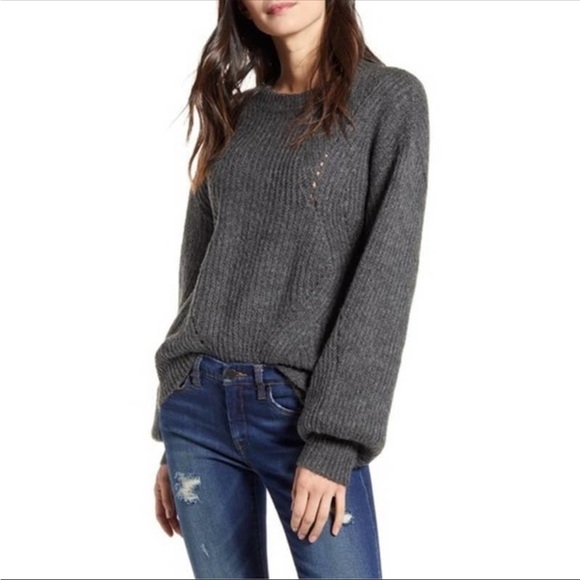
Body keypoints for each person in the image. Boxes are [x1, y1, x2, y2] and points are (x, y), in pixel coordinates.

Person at [151, 0, 430, 577]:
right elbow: (198, 269)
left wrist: (335, 442)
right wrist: (169, 431)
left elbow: (385, 277)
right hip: (196, 411)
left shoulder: (390, 100)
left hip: (300, 412)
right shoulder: (234, 112)